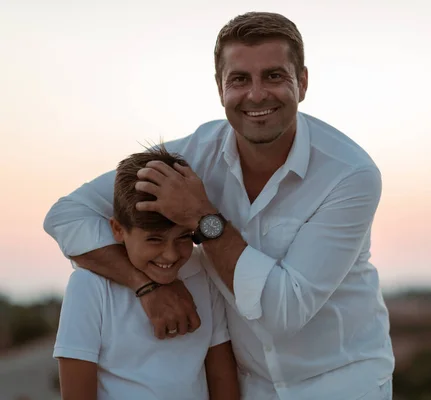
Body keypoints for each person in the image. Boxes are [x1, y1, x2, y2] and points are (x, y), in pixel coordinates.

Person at [44, 11, 395, 400]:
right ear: (219, 88)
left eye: (274, 76)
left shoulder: (350, 175)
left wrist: (202, 218)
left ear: (304, 82)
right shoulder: (194, 155)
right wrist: (144, 285)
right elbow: (66, 215)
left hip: (341, 381)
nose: (257, 94)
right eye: (240, 79)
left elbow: (283, 314)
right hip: (251, 387)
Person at [52, 146, 240, 400]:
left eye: (183, 237)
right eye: (154, 239)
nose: (171, 255)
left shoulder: (202, 273)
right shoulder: (89, 284)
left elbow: (221, 375)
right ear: (118, 229)